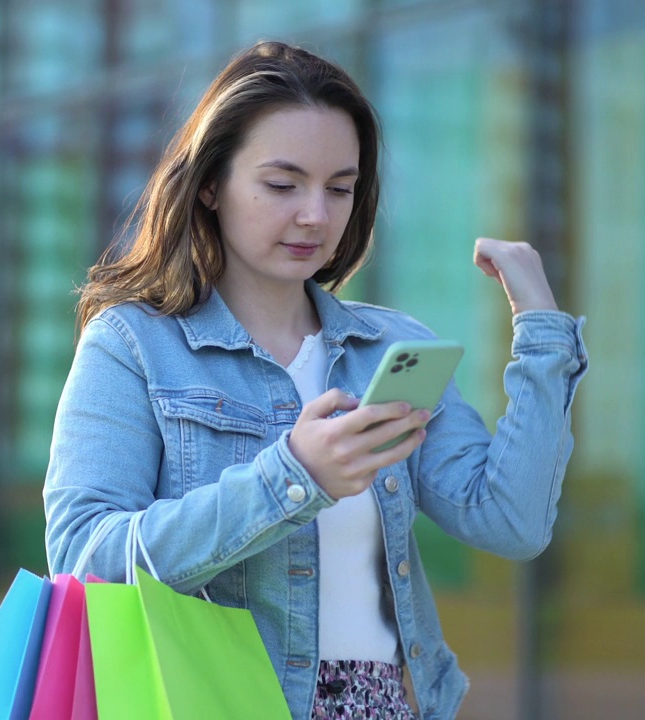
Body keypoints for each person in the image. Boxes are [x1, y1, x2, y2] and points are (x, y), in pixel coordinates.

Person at [43, 40, 588, 719]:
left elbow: (512, 521)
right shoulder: (133, 344)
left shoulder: (390, 348)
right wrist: (293, 476)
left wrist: (540, 327)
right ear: (210, 183)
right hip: (216, 701)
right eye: (282, 185)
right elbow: (86, 556)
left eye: (340, 188)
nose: (316, 216)